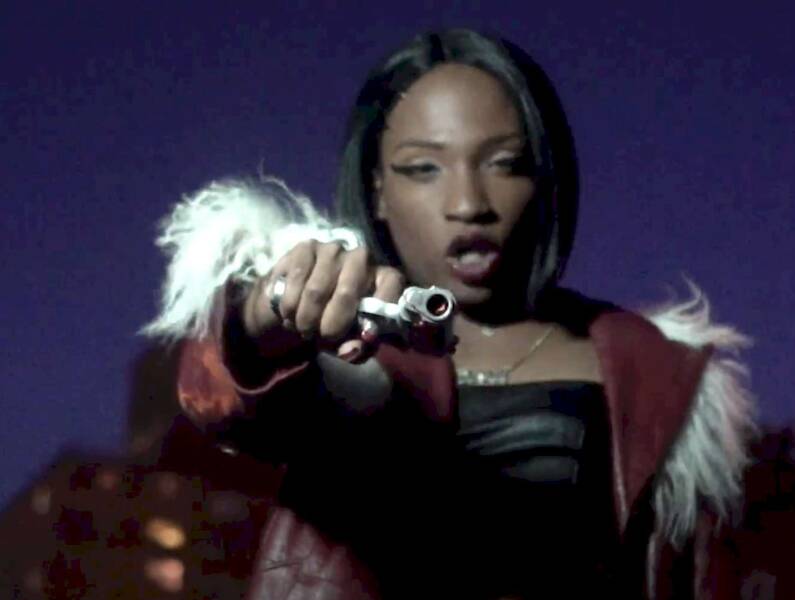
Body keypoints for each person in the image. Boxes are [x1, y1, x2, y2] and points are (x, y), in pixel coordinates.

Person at [143, 29, 757, 599]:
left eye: (505, 163)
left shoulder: (647, 369)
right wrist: (265, 319)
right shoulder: (344, 348)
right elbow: (218, 399)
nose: (468, 202)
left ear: (545, 179)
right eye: (424, 169)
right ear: (377, 190)